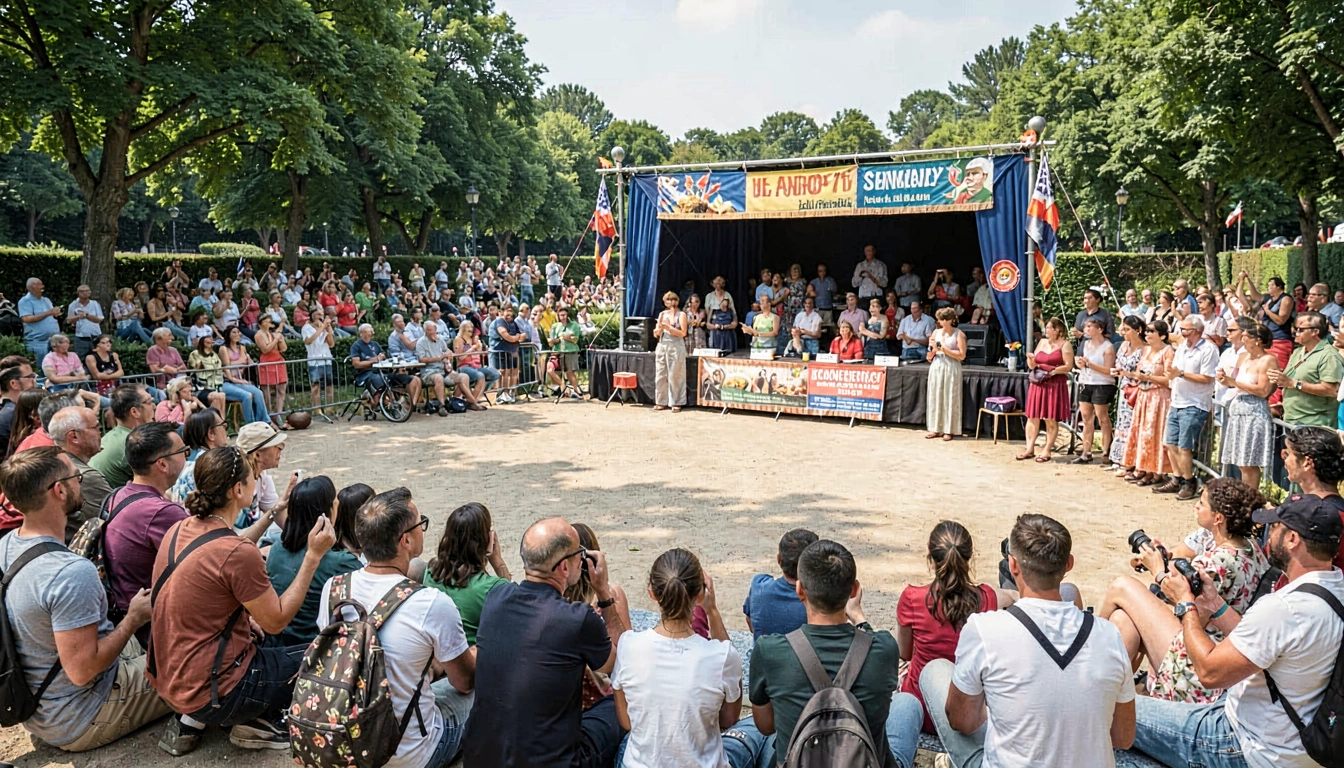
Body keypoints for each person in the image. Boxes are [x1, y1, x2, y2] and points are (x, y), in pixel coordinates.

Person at [149, 446, 336, 756]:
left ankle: (193, 719)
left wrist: (273, 511)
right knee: (330, 652)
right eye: (253, 479)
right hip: (221, 693)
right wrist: (313, 556)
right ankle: (261, 720)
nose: (257, 482)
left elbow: (230, 547)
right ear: (238, 489)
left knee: (257, 634)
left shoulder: (181, 528)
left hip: (169, 681)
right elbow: (276, 619)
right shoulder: (237, 554)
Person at [1131, 495, 1344, 768]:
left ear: (1292, 539)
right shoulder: (1333, 588)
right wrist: (1216, 605)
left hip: (1245, 744)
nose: (1267, 534)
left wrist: (1186, 605)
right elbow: (1268, 646)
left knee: (1109, 709)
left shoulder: (1284, 608)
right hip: (1297, 745)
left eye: (1275, 527)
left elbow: (1209, 672)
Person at [921, 514, 1135, 768]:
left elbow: (961, 721)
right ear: (1069, 564)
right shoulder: (1109, 635)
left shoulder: (984, 629)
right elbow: (1122, 737)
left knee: (934, 671)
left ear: (1013, 565)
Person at [0, 446, 169, 751]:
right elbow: (83, 670)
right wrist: (133, 618)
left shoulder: (7, 546)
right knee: (203, 659)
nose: (82, 481)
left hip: (40, 707)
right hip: (83, 714)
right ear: (60, 490)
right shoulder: (70, 572)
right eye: (77, 476)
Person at [313, 487, 477, 767]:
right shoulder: (431, 603)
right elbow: (465, 682)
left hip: (345, 739)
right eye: (420, 523)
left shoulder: (335, 589)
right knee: (483, 692)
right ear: (406, 540)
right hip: (411, 754)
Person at [460, 517, 629, 766]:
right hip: (555, 761)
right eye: (579, 554)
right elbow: (621, 663)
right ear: (564, 568)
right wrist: (604, 593)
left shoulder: (495, 597)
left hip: (481, 757)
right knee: (620, 705)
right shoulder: (579, 619)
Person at [749, 539, 922, 768]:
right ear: (854, 590)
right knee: (907, 703)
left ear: (800, 589)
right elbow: (872, 641)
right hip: (868, 761)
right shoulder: (884, 648)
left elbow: (766, 726)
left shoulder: (769, 650)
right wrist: (859, 617)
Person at [1100, 478, 1271, 707]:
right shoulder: (1250, 546)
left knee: (1122, 586)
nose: (1195, 506)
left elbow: (1189, 617)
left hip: (1195, 667)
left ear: (1218, 517)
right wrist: (1163, 559)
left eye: (1202, 503)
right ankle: (1112, 696)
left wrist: (1158, 572)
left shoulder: (1216, 563)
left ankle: (1089, 653)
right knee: (1124, 620)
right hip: (1218, 654)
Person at [612, 548, 761, 768]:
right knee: (757, 731)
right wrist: (712, 611)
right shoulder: (722, 657)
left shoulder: (628, 644)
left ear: (652, 592)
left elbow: (627, 721)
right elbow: (728, 720)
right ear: (700, 594)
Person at [897, 521, 1017, 733]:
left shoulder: (912, 598)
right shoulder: (988, 598)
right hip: (968, 711)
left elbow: (904, 653)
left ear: (930, 557)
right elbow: (1014, 597)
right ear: (969, 558)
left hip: (922, 707)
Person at [102, 422, 189, 637]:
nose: (187, 457)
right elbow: (209, 563)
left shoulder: (119, 494)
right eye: (183, 451)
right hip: (156, 626)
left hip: (123, 607)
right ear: (162, 465)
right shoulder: (161, 512)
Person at [266, 476, 362, 646]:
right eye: (334, 501)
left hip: (275, 643)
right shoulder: (341, 562)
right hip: (315, 648)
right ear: (327, 513)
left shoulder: (276, 548)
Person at [424, 502, 513, 646]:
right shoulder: (494, 587)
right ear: (489, 538)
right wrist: (498, 561)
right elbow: (514, 609)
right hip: (472, 661)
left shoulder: (431, 572)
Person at [1154, 315, 1220, 499]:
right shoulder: (1182, 347)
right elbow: (1174, 371)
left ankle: (1189, 482)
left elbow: (1207, 377)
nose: (1181, 333)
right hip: (1177, 400)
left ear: (1197, 331)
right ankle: (1178, 478)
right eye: (1181, 329)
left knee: (1184, 446)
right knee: (1169, 443)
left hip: (1195, 403)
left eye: (1185, 330)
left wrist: (1181, 374)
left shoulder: (1208, 349)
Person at [1217, 322, 1278, 489]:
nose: (1242, 339)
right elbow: (1235, 381)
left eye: (1245, 336)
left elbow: (1264, 390)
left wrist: (1233, 382)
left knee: (1249, 461)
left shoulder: (1268, 360)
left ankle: (1251, 499)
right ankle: (1244, 495)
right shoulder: (1243, 357)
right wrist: (1226, 380)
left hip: (1255, 411)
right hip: (1238, 409)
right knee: (1240, 461)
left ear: (1257, 340)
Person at [1119, 319, 1176, 486]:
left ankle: (1156, 472)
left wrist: (1148, 377)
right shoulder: (1145, 351)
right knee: (1141, 433)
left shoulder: (1168, 352)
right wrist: (1126, 374)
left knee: (1154, 434)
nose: (1147, 333)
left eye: (1152, 331)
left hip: (1159, 397)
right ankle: (1142, 468)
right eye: (1147, 331)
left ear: (1162, 335)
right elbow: (1139, 373)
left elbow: (1169, 379)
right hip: (1144, 396)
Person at [49, 405, 110, 543]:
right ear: (74, 436)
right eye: (96, 428)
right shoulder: (86, 477)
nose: (100, 433)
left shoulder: (51, 461)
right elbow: (118, 519)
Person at [743, 528, 817, 639]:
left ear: (779, 559)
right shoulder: (822, 601)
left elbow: (750, 622)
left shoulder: (759, 586)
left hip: (765, 653)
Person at [1019, 317, 1075, 463]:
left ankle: (1047, 449)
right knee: (1032, 416)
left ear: (1057, 330)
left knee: (1050, 417)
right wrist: (1030, 359)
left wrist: (1054, 371)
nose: (1047, 330)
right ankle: (1029, 448)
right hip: (1038, 382)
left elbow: (1069, 366)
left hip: (1054, 382)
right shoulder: (1042, 342)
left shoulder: (1065, 345)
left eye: (1050, 328)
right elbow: (1032, 365)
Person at [1274, 310, 1343, 427]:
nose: (1295, 332)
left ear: (1315, 331)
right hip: (1292, 421)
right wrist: (1280, 377)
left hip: (1315, 425)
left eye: (1300, 329)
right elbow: (1295, 376)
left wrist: (1293, 383)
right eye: (1295, 329)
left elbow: (1332, 390)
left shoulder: (1329, 355)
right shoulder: (1298, 352)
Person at [89, 385, 157, 489]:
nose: (154, 406)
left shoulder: (110, 437)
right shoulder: (136, 444)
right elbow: (158, 483)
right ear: (134, 412)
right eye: (149, 402)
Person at [1073, 318, 1117, 464]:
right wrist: (1080, 364)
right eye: (1086, 326)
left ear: (1100, 329)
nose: (1087, 328)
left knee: (1102, 416)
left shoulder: (1107, 347)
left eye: (1090, 326)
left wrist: (1089, 364)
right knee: (1086, 418)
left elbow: (1109, 370)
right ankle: (1086, 451)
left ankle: (1106, 450)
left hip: (1102, 384)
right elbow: (1081, 362)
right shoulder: (1085, 344)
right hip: (1086, 382)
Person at [167, 408, 230, 504]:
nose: (226, 430)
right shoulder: (212, 464)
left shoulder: (183, 462)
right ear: (211, 434)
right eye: (224, 426)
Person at [417, 321, 476, 414]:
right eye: (427, 331)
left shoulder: (440, 340)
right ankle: (442, 406)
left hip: (443, 370)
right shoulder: (421, 342)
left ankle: (459, 401)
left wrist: (448, 356)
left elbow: (448, 351)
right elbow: (421, 359)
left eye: (431, 330)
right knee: (438, 378)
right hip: (429, 371)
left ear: (435, 329)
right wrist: (438, 358)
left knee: (464, 377)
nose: (430, 333)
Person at [926, 307, 967, 440]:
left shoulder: (959, 334)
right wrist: (932, 351)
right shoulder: (935, 333)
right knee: (935, 395)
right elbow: (929, 354)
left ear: (948, 320)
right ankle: (935, 428)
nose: (939, 322)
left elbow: (961, 356)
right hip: (937, 364)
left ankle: (949, 429)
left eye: (941, 320)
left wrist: (943, 349)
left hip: (951, 366)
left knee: (950, 396)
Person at [219, 326, 270, 426]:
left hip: (239, 379)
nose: (238, 334)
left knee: (258, 393)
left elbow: (247, 362)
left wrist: (238, 361)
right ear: (228, 335)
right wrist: (241, 361)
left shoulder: (242, 347)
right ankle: (251, 424)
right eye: (234, 332)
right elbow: (227, 365)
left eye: (238, 332)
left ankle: (263, 421)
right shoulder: (223, 348)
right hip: (227, 381)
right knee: (247, 396)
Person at [251, 313, 289, 428]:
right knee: (267, 391)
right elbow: (265, 349)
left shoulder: (273, 334)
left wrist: (280, 340)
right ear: (261, 323)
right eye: (267, 321)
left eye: (270, 321)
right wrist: (276, 339)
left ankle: (278, 414)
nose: (269, 323)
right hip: (267, 363)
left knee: (281, 389)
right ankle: (268, 416)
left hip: (278, 361)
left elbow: (283, 349)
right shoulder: (258, 335)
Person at [653, 291, 688, 412]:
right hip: (663, 345)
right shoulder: (662, 314)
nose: (670, 302)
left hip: (676, 346)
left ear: (677, 301)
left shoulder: (681, 314)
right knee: (660, 374)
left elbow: (683, 333)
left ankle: (676, 402)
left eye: (673, 300)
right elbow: (656, 333)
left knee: (675, 375)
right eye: (667, 300)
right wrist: (658, 330)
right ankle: (661, 401)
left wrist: (668, 327)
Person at [456, 320, 501, 404]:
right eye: (468, 327)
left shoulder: (474, 340)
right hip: (464, 367)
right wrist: (472, 348)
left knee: (495, 374)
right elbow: (460, 357)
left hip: (476, 367)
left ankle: (474, 397)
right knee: (480, 375)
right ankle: (472, 401)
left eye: (472, 327)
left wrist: (479, 347)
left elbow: (480, 355)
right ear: (463, 329)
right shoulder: (459, 339)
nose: (471, 329)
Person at [302, 305, 337, 415]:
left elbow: (331, 344)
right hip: (315, 361)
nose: (320, 317)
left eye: (321, 315)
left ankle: (329, 407)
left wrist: (328, 330)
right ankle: (317, 409)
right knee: (316, 385)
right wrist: (321, 328)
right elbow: (308, 341)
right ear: (312, 315)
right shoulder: (306, 328)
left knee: (329, 385)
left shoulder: (324, 327)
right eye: (318, 314)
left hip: (326, 359)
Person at [0, 358, 37, 458]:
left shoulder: (8, 409)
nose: (34, 381)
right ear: (14, 384)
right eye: (30, 376)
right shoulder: (12, 413)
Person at [19, 277, 62, 359]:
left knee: (55, 367)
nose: (42, 286)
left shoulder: (46, 300)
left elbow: (51, 315)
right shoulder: (25, 301)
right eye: (39, 284)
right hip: (38, 342)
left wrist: (55, 314)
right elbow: (26, 319)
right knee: (41, 368)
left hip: (53, 340)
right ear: (31, 287)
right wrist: (49, 312)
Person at [489, 305, 525, 404]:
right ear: (502, 311)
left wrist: (516, 337)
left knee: (511, 372)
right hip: (499, 350)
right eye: (508, 311)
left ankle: (509, 393)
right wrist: (516, 338)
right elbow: (505, 335)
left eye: (511, 311)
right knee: (503, 373)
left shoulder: (513, 323)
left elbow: (523, 334)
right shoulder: (499, 321)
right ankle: (501, 394)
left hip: (511, 351)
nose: (510, 313)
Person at [186, 335, 229, 415]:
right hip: (200, 387)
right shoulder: (195, 354)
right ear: (202, 343)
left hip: (215, 385)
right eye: (207, 341)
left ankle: (221, 420)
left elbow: (219, 368)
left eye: (211, 341)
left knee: (221, 395)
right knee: (217, 397)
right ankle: (215, 420)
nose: (210, 343)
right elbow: (196, 368)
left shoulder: (214, 355)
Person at [65, 284, 105, 359]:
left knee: (99, 358)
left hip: (96, 335)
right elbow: (68, 321)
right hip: (81, 336)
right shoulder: (73, 305)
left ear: (90, 292)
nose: (85, 293)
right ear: (78, 293)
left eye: (87, 291)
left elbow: (100, 319)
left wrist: (87, 316)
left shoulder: (95, 304)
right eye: (82, 291)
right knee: (81, 359)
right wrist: (78, 317)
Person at [84, 334, 124, 402]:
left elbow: (121, 372)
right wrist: (114, 375)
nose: (108, 344)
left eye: (109, 342)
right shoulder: (91, 357)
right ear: (98, 345)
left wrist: (108, 375)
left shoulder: (114, 355)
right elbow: (97, 376)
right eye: (104, 342)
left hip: (116, 386)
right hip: (98, 388)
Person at [146, 327, 187, 391]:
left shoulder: (173, 350)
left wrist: (175, 369)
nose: (172, 337)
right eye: (169, 335)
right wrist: (166, 370)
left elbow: (183, 366)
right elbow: (154, 369)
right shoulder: (153, 350)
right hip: (163, 384)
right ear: (159, 339)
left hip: (178, 381)